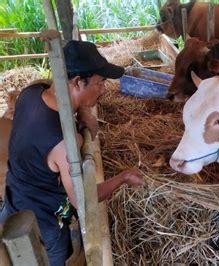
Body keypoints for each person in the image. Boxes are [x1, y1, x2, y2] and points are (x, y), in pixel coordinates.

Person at [0, 40, 144, 265]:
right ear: (77, 82)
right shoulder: (64, 144)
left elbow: (55, 87)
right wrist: (124, 177)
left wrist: (84, 110)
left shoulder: (31, 92)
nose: (104, 90)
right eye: (100, 83)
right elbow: (83, 200)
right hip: (44, 223)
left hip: (13, 199)